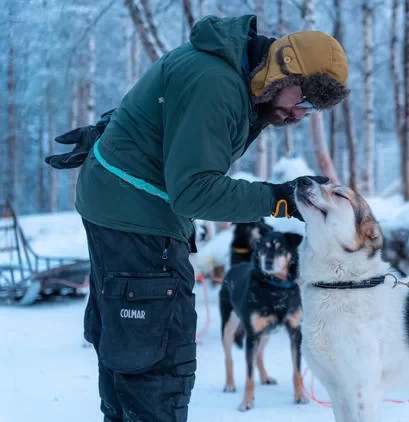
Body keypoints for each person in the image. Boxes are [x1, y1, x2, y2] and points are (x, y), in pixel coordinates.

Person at [44, 14, 348, 421]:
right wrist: (279, 199)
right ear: (283, 69)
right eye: (304, 100)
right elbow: (194, 191)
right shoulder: (218, 84)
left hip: (118, 210)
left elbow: (166, 107)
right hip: (139, 222)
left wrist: (111, 132)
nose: (301, 114)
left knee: (127, 351)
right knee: (158, 366)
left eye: (313, 108)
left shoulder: (225, 66)